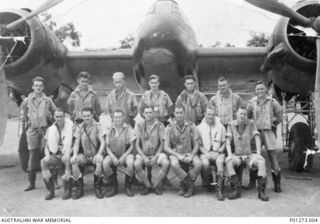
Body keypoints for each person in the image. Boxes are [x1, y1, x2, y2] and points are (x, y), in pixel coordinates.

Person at [225, 107, 269, 201]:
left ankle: (261, 192)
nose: (242, 116)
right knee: (228, 163)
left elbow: (257, 137)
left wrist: (258, 153)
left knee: (261, 162)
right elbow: (228, 141)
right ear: (236, 114)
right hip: (237, 155)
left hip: (249, 155)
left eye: (244, 114)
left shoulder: (251, 123)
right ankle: (237, 190)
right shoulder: (231, 124)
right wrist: (229, 155)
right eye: (240, 114)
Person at [21, 76, 56, 191]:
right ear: (33, 87)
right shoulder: (27, 100)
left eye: (40, 86)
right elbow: (24, 113)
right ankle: (31, 183)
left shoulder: (48, 100)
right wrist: (27, 122)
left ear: (43, 87)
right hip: (32, 130)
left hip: (45, 129)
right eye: (36, 86)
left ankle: (53, 181)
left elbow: (55, 112)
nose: (38, 88)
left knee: (49, 154)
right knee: (32, 155)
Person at [247, 80, 282, 193]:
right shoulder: (252, 102)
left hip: (268, 132)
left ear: (266, 89)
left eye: (262, 88)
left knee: (272, 157)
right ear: (255, 91)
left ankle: (277, 184)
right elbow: (248, 116)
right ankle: (252, 182)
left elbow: (279, 115)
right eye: (258, 89)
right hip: (256, 133)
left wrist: (273, 125)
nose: (260, 91)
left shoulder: (272, 101)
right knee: (253, 155)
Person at [164, 105, 202, 198]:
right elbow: (166, 147)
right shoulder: (169, 127)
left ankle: (184, 184)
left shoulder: (192, 126)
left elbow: (197, 144)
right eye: (177, 113)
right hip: (176, 153)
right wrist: (178, 155)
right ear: (174, 114)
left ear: (184, 113)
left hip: (189, 152)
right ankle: (189, 185)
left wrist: (192, 156)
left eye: (181, 112)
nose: (179, 115)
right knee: (174, 164)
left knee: (198, 164)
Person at [134, 105, 170, 195]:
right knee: (136, 164)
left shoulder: (160, 125)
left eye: (150, 112)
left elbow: (162, 143)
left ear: (153, 113)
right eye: (146, 113)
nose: (148, 115)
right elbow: (137, 145)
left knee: (166, 163)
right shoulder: (139, 125)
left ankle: (156, 185)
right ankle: (147, 185)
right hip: (144, 153)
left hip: (157, 153)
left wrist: (156, 156)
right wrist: (144, 157)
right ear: (143, 114)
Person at [70, 107, 106, 199]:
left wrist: (99, 154)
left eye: (88, 115)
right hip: (85, 155)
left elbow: (103, 142)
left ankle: (97, 187)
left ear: (92, 115)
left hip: (95, 154)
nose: (86, 118)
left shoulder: (98, 126)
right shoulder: (80, 127)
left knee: (99, 161)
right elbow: (77, 143)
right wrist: (74, 155)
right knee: (74, 161)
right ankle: (79, 188)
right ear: (82, 116)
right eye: (84, 116)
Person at [101, 109, 136, 197]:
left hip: (126, 153)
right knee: (105, 163)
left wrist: (124, 156)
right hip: (112, 153)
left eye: (120, 117)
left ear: (123, 117)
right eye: (116, 117)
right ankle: (113, 184)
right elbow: (106, 146)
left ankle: (128, 186)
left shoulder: (128, 129)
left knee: (130, 163)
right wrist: (112, 157)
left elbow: (132, 146)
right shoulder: (109, 129)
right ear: (113, 118)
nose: (118, 119)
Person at [40, 109, 73, 200]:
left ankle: (67, 191)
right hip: (55, 155)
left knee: (66, 161)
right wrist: (47, 155)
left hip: (68, 153)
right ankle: (50, 191)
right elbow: (46, 146)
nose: (59, 119)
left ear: (64, 116)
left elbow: (75, 143)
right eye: (57, 117)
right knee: (43, 162)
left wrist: (68, 153)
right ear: (54, 117)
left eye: (61, 116)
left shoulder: (71, 126)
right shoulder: (50, 129)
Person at [197, 106, 226, 201]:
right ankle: (207, 181)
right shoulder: (199, 127)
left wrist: (218, 152)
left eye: (213, 114)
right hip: (205, 152)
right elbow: (199, 145)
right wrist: (207, 153)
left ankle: (219, 189)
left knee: (220, 162)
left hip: (218, 152)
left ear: (215, 115)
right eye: (209, 114)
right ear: (205, 114)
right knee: (205, 163)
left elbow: (225, 142)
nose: (210, 116)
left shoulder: (221, 127)